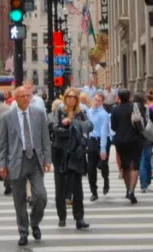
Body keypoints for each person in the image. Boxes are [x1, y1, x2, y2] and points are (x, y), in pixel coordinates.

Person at [0, 86, 53, 247]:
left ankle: (34, 222)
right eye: (22, 96)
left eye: (28, 95)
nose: (25, 98)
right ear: (15, 98)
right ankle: (23, 231)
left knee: (41, 196)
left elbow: (45, 139)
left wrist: (47, 160)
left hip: (35, 160)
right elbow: (2, 143)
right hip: (17, 161)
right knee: (19, 200)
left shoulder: (39, 114)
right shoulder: (7, 117)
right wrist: (2, 164)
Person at [49, 88, 92, 229]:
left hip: (76, 153)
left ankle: (79, 218)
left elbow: (89, 126)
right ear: (65, 98)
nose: (72, 99)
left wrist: (75, 124)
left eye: (74, 97)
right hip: (60, 152)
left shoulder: (81, 113)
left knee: (77, 187)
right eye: (69, 96)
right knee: (60, 186)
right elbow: (55, 129)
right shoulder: (58, 111)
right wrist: (65, 124)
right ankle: (62, 216)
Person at [109, 89, 143, 203]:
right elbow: (140, 121)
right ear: (129, 96)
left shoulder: (115, 110)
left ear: (119, 97)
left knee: (125, 165)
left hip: (120, 141)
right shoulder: (134, 106)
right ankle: (132, 190)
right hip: (134, 139)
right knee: (135, 165)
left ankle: (127, 189)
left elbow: (113, 127)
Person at [86, 92, 111, 200]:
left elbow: (104, 131)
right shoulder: (89, 112)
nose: (96, 102)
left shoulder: (104, 114)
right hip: (91, 140)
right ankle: (94, 191)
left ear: (102, 102)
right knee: (91, 168)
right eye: (95, 99)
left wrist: (103, 148)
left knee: (102, 165)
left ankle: (106, 180)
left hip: (102, 140)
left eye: (99, 100)